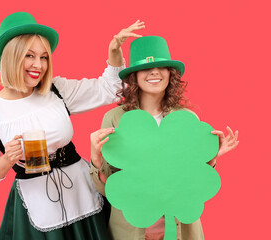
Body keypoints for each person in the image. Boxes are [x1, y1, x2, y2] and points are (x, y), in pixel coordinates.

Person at [0, 12, 145, 239]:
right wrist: (5, 160)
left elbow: (110, 89)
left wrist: (114, 52)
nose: (38, 65)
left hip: (82, 193)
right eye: (29, 56)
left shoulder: (56, 90)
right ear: (11, 57)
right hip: (38, 209)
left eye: (44, 57)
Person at [89, 36, 239, 240]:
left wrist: (211, 157)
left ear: (170, 74)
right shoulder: (115, 119)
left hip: (179, 224)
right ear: (134, 76)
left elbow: (193, 179)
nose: (154, 73)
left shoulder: (186, 119)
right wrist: (96, 158)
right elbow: (111, 189)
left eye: (162, 67)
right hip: (132, 226)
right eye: (145, 68)